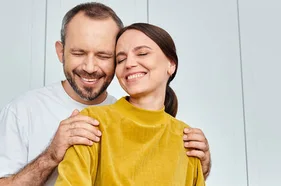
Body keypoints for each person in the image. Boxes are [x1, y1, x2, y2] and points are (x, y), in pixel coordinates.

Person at [0, 3, 211, 186]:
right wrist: (51, 155)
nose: (89, 67)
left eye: (104, 56)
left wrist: (201, 164)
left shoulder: (125, 116)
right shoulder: (23, 111)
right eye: (78, 52)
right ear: (61, 52)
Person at [55, 22, 204, 186]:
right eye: (121, 59)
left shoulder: (187, 140)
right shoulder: (91, 123)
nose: (129, 63)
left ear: (171, 64)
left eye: (142, 53)